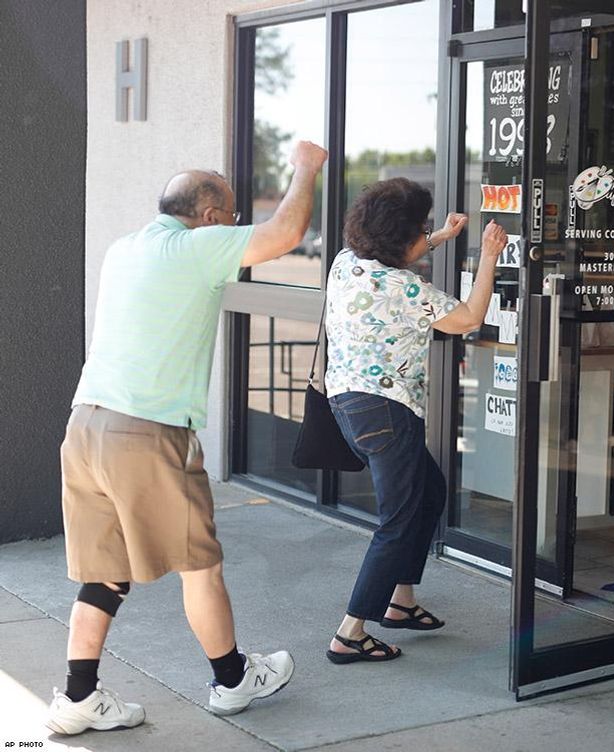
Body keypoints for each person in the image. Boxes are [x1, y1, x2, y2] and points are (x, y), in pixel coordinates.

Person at [46, 141, 329, 735]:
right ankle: (232, 680)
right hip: (146, 432)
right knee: (200, 565)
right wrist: (306, 167)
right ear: (209, 216)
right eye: (230, 216)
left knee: (104, 571)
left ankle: (78, 696)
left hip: (85, 425)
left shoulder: (125, 247)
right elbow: (286, 232)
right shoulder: (196, 246)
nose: (232, 227)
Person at [325, 178, 506, 663]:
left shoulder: (346, 263)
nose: (425, 235)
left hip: (348, 404)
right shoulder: (403, 288)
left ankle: (400, 602)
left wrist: (442, 235)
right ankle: (350, 633)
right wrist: (489, 256)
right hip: (386, 411)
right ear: (401, 237)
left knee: (429, 494)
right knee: (398, 521)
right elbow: (467, 318)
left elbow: (398, 249)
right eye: (421, 230)